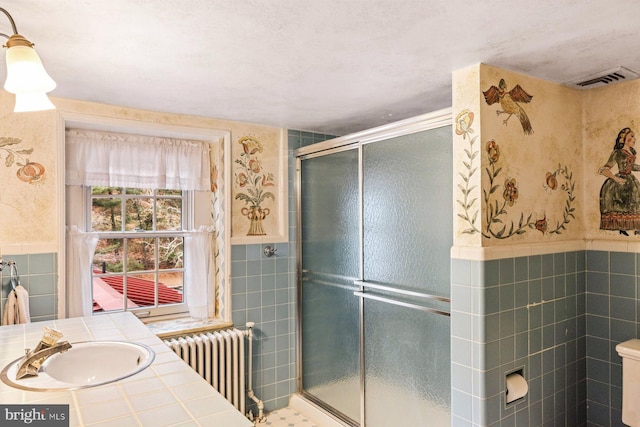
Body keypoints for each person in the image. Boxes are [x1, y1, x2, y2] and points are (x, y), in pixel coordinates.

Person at [599, 127, 640, 235]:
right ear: (624, 139)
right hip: (620, 181)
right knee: (621, 206)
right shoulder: (617, 153)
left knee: (635, 202)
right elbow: (604, 169)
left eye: (634, 136)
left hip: (631, 181)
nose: (634, 139)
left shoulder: (631, 152)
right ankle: (622, 228)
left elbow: (631, 167)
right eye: (632, 136)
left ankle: (636, 227)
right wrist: (616, 179)